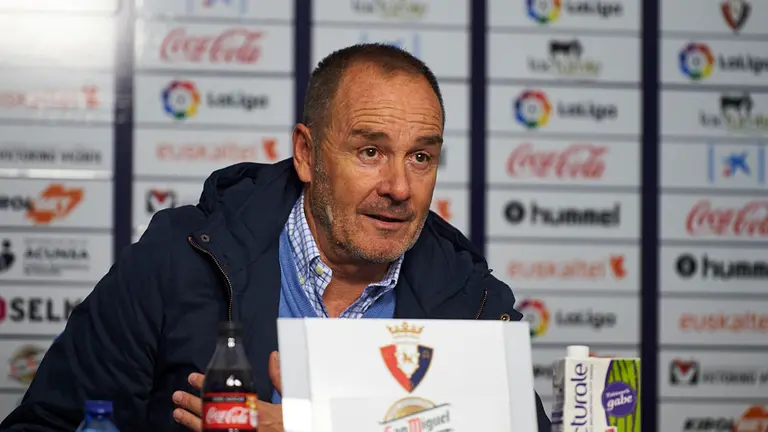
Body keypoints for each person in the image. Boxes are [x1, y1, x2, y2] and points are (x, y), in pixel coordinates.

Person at [0, 43, 551, 432]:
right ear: (308, 155)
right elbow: (49, 424)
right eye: (370, 152)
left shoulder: (473, 302)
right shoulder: (177, 260)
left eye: (421, 157)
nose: (400, 187)